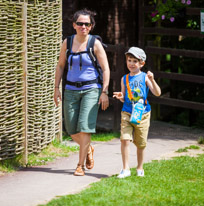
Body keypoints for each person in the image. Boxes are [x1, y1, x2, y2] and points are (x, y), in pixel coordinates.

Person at [54, 9, 110, 176]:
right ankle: (88, 148)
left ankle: (80, 166)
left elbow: (106, 69)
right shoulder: (68, 42)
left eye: (86, 24)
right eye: (80, 23)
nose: (83, 26)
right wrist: (56, 88)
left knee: (85, 128)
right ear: (74, 25)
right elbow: (61, 65)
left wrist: (104, 91)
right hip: (70, 89)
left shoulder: (95, 44)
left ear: (91, 26)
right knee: (71, 129)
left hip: (91, 89)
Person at [113, 47, 161, 178]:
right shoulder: (125, 78)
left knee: (140, 144)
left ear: (142, 63)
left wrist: (152, 80)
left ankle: (140, 168)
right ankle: (125, 169)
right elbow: (125, 97)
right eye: (129, 60)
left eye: (135, 61)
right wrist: (120, 96)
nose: (131, 63)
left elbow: (157, 93)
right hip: (127, 112)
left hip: (143, 114)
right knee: (125, 139)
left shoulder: (145, 77)